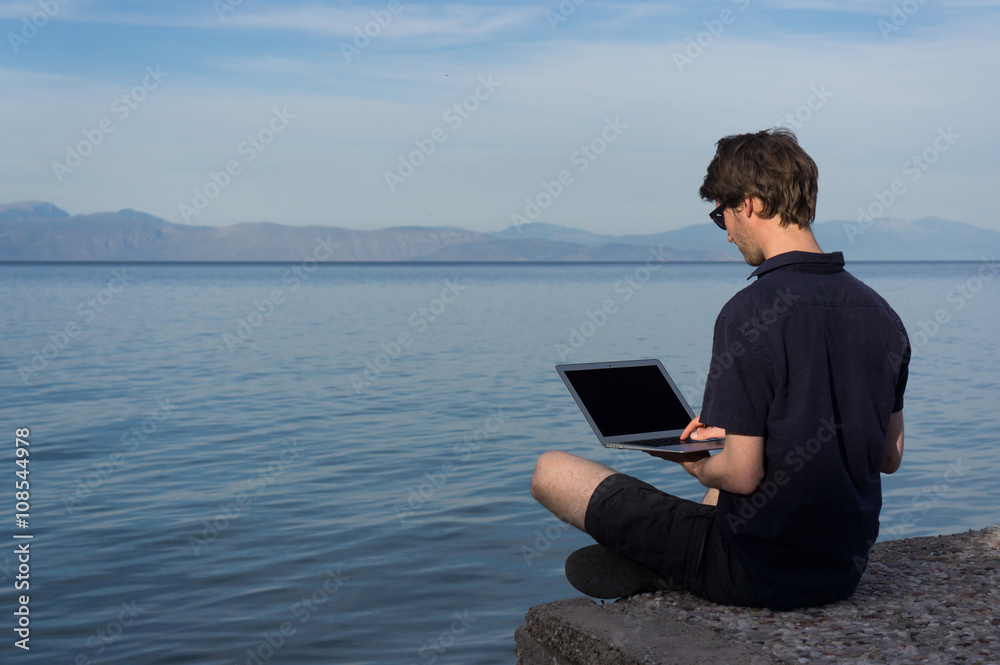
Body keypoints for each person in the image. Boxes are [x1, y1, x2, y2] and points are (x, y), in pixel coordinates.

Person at [530, 128, 910, 610]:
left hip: (753, 573)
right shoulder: (882, 314)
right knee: (722, 484)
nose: (728, 232)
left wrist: (691, 459)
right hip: (842, 570)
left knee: (551, 469)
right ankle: (666, 560)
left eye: (722, 215)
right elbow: (889, 456)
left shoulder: (748, 313)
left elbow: (742, 476)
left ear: (747, 204)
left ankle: (663, 566)